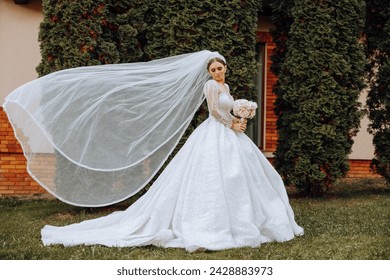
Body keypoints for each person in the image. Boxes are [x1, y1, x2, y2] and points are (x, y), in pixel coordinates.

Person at [4, 50, 303, 252]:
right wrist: (234, 123)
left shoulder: (225, 87)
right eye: (212, 69)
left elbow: (225, 108)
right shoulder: (212, 88)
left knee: (238, 178)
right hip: (219, 133)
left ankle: (241, 218)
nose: (216, 72)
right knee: (213, 179)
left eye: (219, 68)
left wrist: (239, 114)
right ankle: (212, 223)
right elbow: (214, 113)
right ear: (209, 72)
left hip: (228, 135)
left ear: (225, 67)